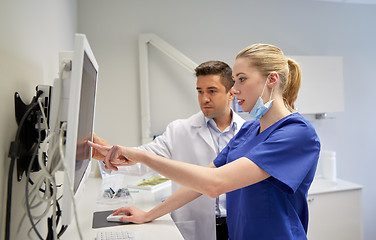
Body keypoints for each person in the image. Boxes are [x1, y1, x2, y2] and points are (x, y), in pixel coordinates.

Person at [90, 44, 321, 240]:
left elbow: (215, 184)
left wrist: (143, 156)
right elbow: (199, 183)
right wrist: (149, 214)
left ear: (272, 79)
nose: (235, 89)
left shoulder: (297, 134)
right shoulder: (249, 130)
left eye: (241, 79)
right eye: (234, 81)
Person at [92, 60, 245, 240]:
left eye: (212, 91)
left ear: (230, 93)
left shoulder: (247, 132)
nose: (204, 99)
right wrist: (107, 155)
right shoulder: (179, 130)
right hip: (194, 226)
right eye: (200, 91)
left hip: (237, 225)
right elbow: (145, 159)